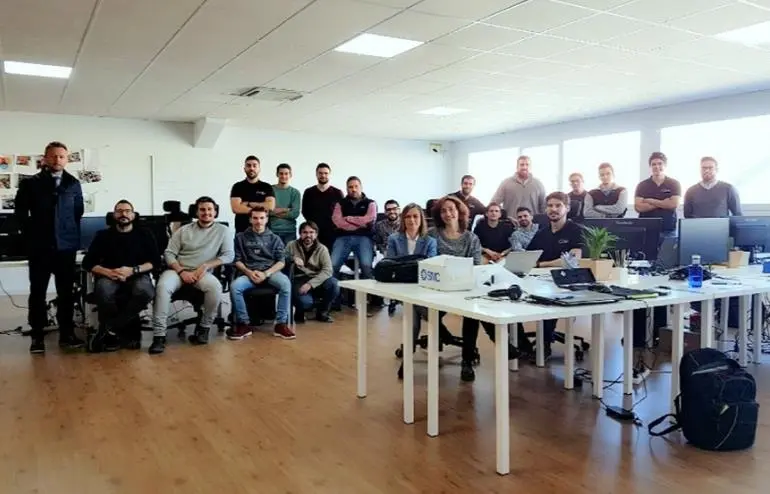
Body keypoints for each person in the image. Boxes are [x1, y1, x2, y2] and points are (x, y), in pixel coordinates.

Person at [429, 196, 516, 383]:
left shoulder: (471, 238)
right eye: (443, 211)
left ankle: (467, 361)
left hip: (465, 287)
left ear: (459, 212)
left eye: (451, 209)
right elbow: (430, 263)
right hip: (438, 290)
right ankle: (500, 342)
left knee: (473, 311)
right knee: (471, 308)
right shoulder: (432, 235)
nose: (448, 214)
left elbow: (476, 267)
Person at [14, 141, 85, 354]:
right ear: (45, 158)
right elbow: (20, 213)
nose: (57, 160)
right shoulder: (31, 183)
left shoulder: (73, 183)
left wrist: (65, 232)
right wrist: (32, 235)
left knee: (66, 293)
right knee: (38, 292)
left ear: (67, 159)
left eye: (61, 156)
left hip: (66, 247)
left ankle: (67, 334)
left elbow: (78, 212)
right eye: (53, 156)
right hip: (40, 247)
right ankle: (37, 336)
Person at [150, 196, 234, 355]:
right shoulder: (184, 230)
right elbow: (169, 254)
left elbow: (229, 255)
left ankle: (204, 328)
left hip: (201, 273)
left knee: (215, 287)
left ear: (215, 212)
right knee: (162, 287)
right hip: (178, 271)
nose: (206, 213)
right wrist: (181, 271)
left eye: (210, 209)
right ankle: (159, 336)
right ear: (196, 212)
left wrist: (206, 266)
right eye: (202, 209)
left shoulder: (223, 231)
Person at [81, 200, 158, 351]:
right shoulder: (103, 235)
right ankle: (117, 330)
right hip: (110, 275)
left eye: (127, 211)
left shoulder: (145, 234)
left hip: (137, 274)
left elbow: (155, 261)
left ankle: (110, 328)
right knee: (103, 292)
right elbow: (88, 263)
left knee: (145, 291)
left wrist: (132, 270)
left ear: (133, 215)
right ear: (114, 215)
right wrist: (109, 272)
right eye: (120, 211)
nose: (124, 214)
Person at [519, 192, 584, 359]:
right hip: (541, 280)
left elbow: (572, 260)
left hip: (566, 282)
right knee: (514, 295)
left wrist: (542, 264)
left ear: (567, 208)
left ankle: (544, 345)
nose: (553, 209)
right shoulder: (542, 232)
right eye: (550, 206)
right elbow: (528, 257)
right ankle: (522, 345)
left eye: (558, 205)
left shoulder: (575, 230)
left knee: (547, 297)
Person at [387, 203, 438, 380]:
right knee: (414, 307)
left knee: (413, 309)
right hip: (402, 287)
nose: (411, 220)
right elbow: (390, 264)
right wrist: (414, 264)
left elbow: (430, 267)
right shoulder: (394, 239)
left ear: (421, 219)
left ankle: (408, 358)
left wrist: (405, 265)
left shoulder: (430, 241)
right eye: (408, 216)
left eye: (415, 216)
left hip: (423, 288)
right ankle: (439, 332)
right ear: (403, 219)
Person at [229, 206, 294, 340]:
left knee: (285, 284)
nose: (258, 221)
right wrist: (248, 272)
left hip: (270, 272)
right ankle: (244, 324)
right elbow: (237, 260)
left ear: (267, 219)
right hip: (249, 273)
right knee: (235, 287)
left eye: (262, 218)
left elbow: (281, 262)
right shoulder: (240, 237)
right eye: (255, 218)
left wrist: (266, 273)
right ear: (250, 220)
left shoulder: (275, 238)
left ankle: (280, 324)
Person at [286, 221, 339, 324]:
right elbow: (282, 257)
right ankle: (300, 311)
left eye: (311, 232)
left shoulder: (322, 249)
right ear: (300, 233)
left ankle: (323, 312)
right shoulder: (291, 245)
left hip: (317, 279)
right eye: (305, 232)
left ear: (316, 234)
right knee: (305, 303)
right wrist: (293, 258)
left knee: (334, 284)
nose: (308, 235)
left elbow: (328, 270)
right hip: (299, 279)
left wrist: (310, 284)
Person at [330, 176, 377, 280]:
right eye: (350, 187)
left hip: (364, 238)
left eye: (356, 186)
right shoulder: (340, 203)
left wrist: (349, 219)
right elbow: (337, 221)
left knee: (366, 266)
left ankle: (368, 291)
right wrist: (360, 224)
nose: (354, 189)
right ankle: (334, 290)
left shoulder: (371, 203)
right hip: (343, 238)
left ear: (361, 187)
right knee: (332, 266)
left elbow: (370, 220)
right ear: (347, 189)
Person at [634, 152, 681, 238]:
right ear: (650, 166)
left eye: (660, 164)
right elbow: (638, 207)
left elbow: (673, 204)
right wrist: (664, 203)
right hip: (646, 230)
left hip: (668, 229)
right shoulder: (642, 185)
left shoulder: (674, 184)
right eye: (654, 164)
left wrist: (651, 201)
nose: (657, 167)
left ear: (665, 165)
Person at [301, 163, 344, 251]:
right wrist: (312, 227)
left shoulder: (337, 193)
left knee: (330, 258)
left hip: (332, 234)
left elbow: (342, 213)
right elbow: (304, 211)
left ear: (329, 174)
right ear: (316, 174)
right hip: (314, 233)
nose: (323, 175)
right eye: (320, 173)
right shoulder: (309, 192)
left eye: (325, 173)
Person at [230, 155, 275, 233]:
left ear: (259, 169)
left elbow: (270, 206)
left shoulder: (267, 187)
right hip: (242, 230)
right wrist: (261, 209)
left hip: (263, 232)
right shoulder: (237, 187)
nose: (251, 168)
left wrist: (248, 204)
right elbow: (236, 208)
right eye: (248, 165)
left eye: (254, 166)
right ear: (244, 169)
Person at [269, 163, 301, 245]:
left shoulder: (295, 192)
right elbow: (267, 211)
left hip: (289, 232)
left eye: (286, 173)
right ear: (277, 174)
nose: (283, 176)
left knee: (289, 254)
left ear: (290, 175)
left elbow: (294, 214)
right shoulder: (270, 190)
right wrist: (286, 209)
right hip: (272, 230)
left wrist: (275, 211)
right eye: (281, 173)